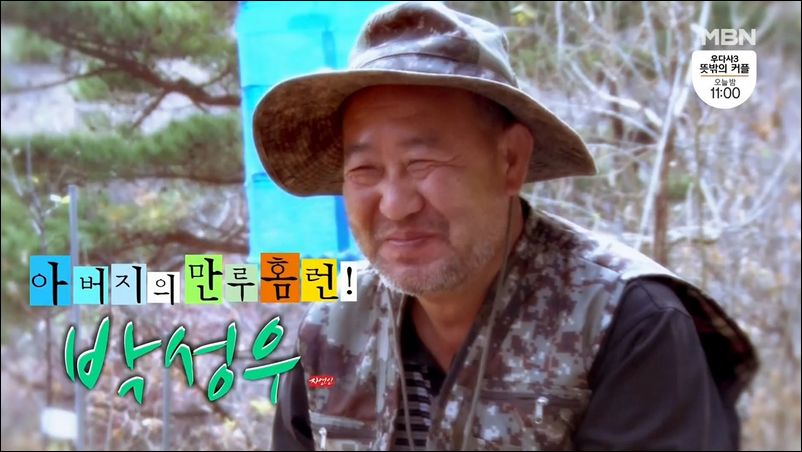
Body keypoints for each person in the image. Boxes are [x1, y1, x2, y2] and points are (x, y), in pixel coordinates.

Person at [252, 2, 757, 450]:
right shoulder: (332, 333)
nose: (396, 204)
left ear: (510, 161)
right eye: (365, 169)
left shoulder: (625, 325)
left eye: (423, 162)